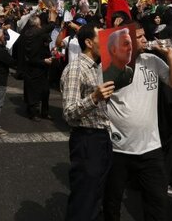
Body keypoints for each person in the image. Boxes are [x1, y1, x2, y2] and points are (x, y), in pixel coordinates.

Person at [103, 24, 172, 221]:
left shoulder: (152, 61)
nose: (144, 39)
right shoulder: (110, 65)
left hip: (150, 147)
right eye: (138, 36)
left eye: (144, 36)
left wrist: (170, 54)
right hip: (118, 148)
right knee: (111, 200)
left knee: (157, 201)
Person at [61, 24, 115, 221]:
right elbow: (68, 113)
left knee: (96, 197)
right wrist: (94, 97)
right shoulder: (75, 68)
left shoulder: (98, 67)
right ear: (89, 43)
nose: (108, 43)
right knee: (84, 201)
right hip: (86, 139)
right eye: (102, 38)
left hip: (101, 137)